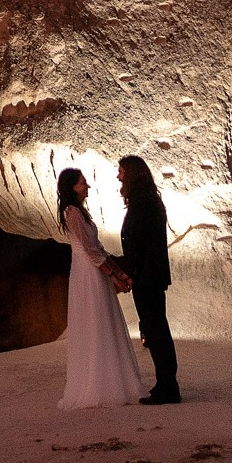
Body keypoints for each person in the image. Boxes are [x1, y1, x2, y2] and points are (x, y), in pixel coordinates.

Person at [57, 165, 145, 409]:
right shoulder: (72, 212)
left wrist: (117, 272)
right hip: (87, 273)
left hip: (93, 270)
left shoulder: (81, 212)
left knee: (103, 322)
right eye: (83, 182)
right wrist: (114, 276)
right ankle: (98, 386)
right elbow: (89, 250)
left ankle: (112, 381)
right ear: (72, 187)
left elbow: (97, 248)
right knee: (95, 322)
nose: (87, 186)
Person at [119, 154, 180, 403]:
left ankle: (168, 387)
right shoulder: (148, 201)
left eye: (121, 172)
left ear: (132, 174)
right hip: (149, 275)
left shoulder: (143, 204)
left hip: (147, 276)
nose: (118, 176)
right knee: (155, 329)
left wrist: (127, 272)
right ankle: (165, 383)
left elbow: (138, 244)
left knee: (156, 330)